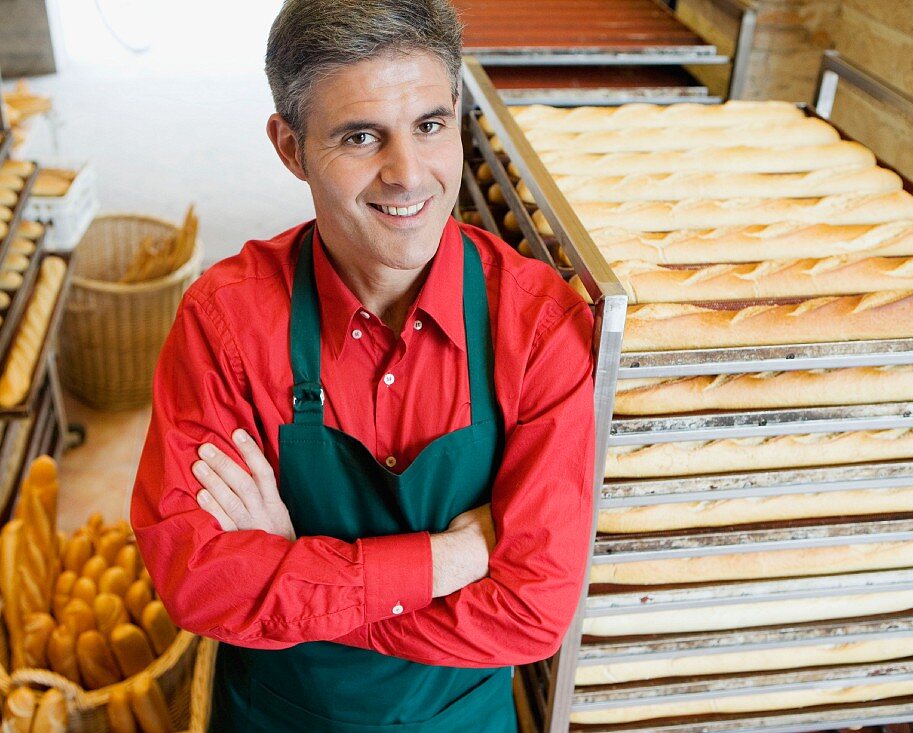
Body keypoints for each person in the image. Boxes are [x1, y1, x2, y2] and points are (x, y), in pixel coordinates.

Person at [130, 0, 595, 730]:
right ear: (290, 148)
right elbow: (198, 582)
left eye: (431, 126)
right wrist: (449, 560)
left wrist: (296, 572)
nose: (408, 175)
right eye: (360, 136)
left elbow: (533, 613)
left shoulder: (538, 328)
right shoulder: (226, 323)